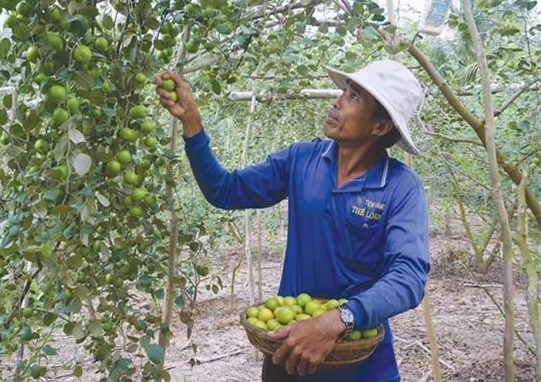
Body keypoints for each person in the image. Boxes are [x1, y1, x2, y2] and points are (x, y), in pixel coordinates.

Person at [155, 60, 430, 382]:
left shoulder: (400, 186)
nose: (337, 101)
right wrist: (192, 123)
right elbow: (225, 190)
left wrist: (337, 320)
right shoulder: (301, 160)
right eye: (344, 91)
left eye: (354, 97)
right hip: (287, 356)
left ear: (381, 126)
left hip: (359, 364)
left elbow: (409, 278)